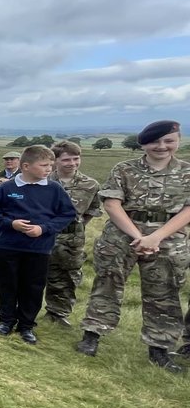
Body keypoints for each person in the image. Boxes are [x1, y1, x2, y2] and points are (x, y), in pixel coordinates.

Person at [76, 121, 190, 372]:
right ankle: (92, 335)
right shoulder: (124, 169)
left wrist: (156, 237)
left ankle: (159, 348)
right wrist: (139, 235)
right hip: (122, 234)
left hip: (168, 239)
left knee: (164, 292)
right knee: (107, 283)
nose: (162, 146)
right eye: (155, 141)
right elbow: (112, 204)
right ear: (143, 144)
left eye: (169, 141)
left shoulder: (186, 172)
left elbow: (188, 210)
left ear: (178, 141)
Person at [0, 146, 77, 344]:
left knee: (33, 287)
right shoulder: (6, 188)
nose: (49, 169)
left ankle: (26, 325)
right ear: (25, 166)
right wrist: (11, 224)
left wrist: (43, 229)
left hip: (39, 248)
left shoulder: (54, 189)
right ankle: (6, 321)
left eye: (51, 165)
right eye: (44, 165)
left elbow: (67, 214)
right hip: (9, 246)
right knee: (7, 284)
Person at [43, 140, 102, 326]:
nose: (72, 163)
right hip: (42, 234)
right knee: (30, 272)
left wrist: (78, 226)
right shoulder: (42, 180)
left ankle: (57, 312)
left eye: (76, 159)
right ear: (55, 161)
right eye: (66, 160)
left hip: (71, 239)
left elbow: (93, 209)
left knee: (66, 276)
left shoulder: (90, 184)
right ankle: (19, 307)